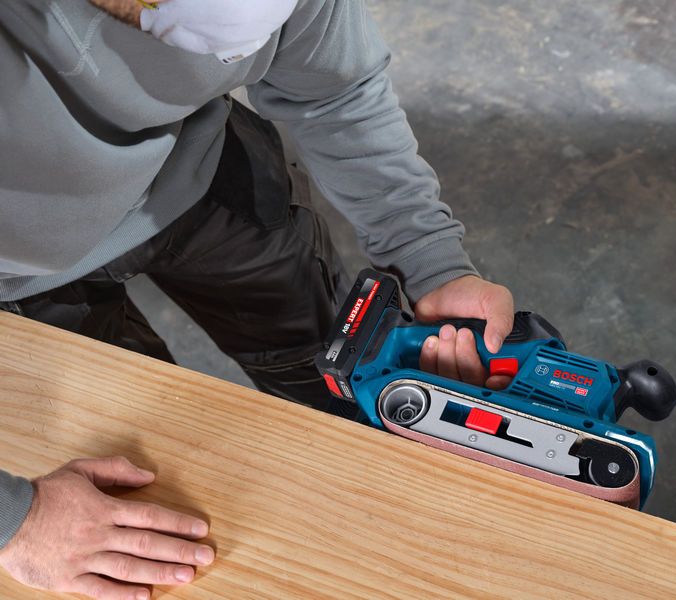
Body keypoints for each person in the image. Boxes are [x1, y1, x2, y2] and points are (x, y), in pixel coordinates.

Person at [0, 0, 514, 598]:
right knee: (152, 502)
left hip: (201, 165)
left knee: (344, 380)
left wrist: (430, 257)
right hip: (20, 274)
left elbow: (335, 90)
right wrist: (17, 520)